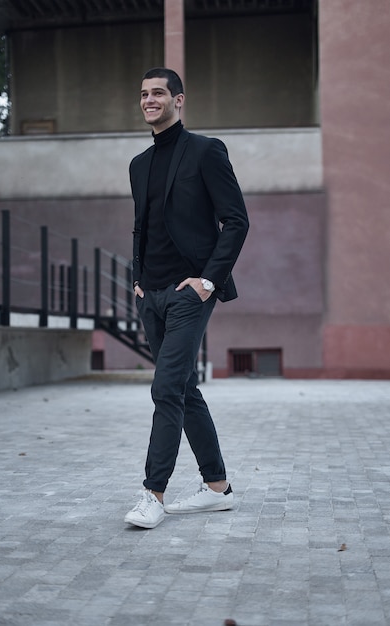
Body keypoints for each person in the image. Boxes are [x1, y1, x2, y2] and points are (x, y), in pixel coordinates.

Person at [124, 67, 249, 529]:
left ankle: (152, 494)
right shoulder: (139, 164)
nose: (149, 100)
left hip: (189, 292)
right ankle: (217, 488)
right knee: (182, 388)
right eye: (143, 94)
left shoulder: (205, 151)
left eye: (158, 93)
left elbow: (236, 220)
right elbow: (144, 225)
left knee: (164, 388)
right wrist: (138, 279)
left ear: (179, 100)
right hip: (151, 292)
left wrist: (207, 281)